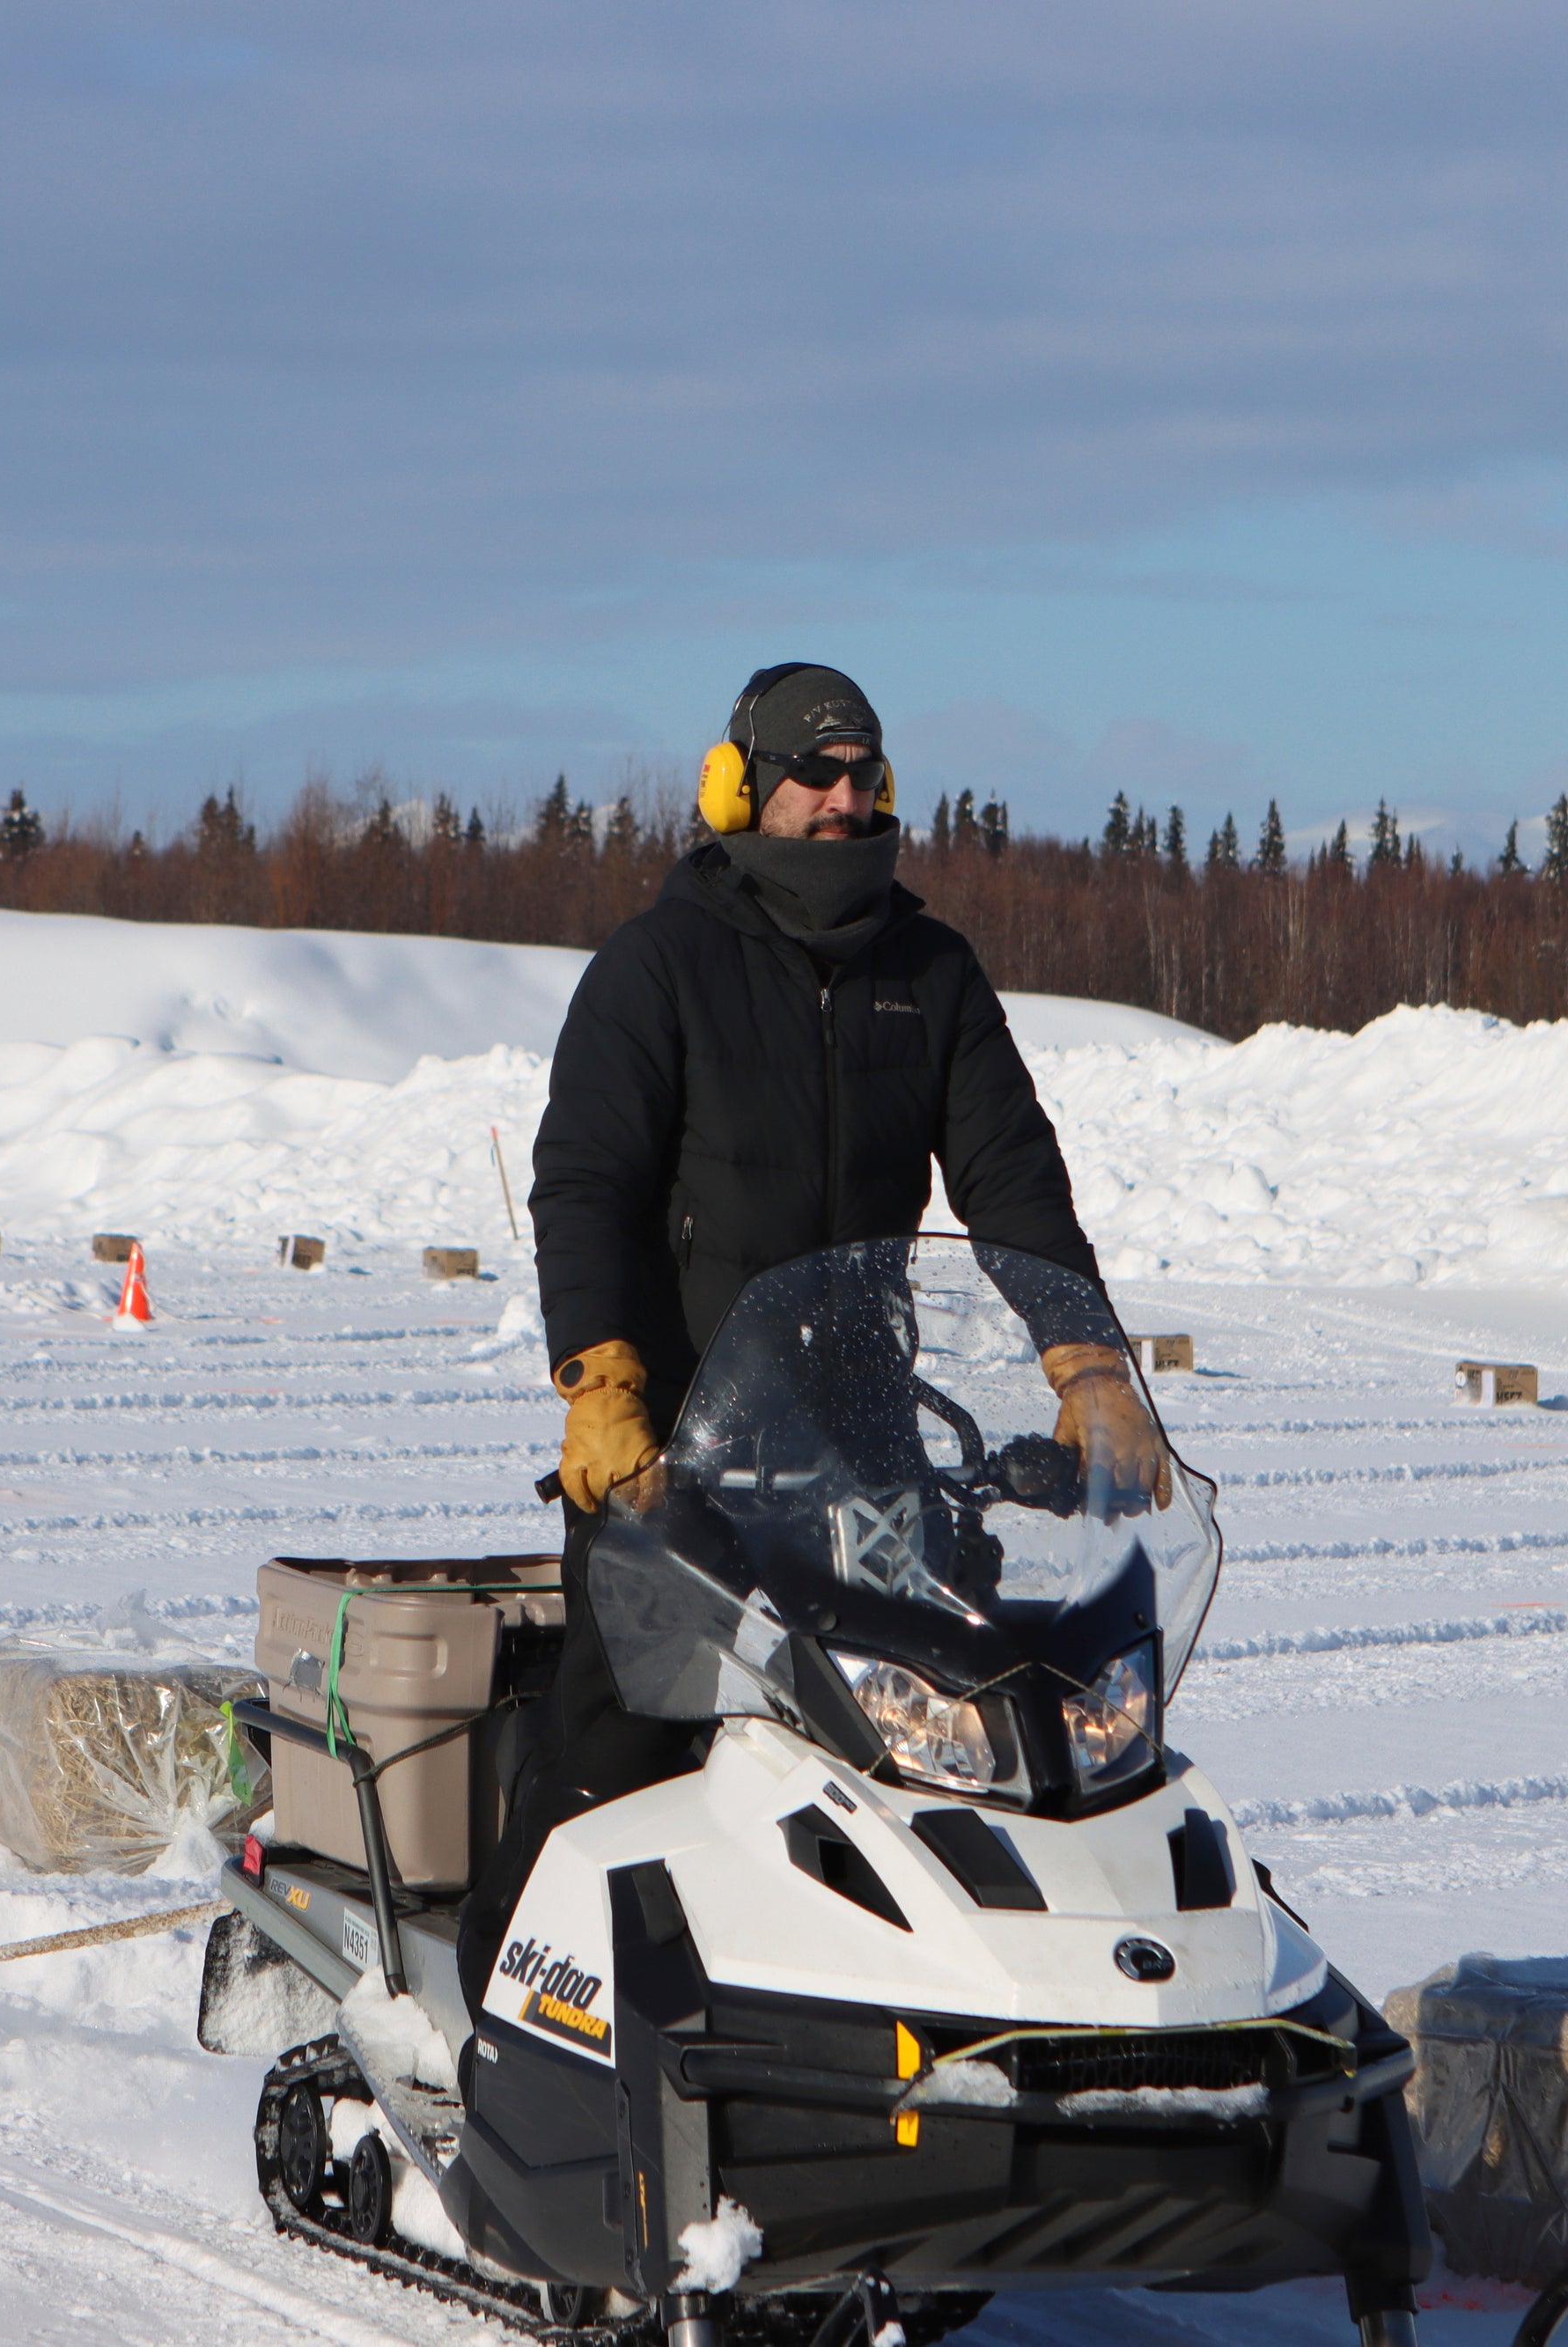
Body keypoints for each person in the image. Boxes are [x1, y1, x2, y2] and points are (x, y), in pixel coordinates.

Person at [458, 662, 1171, 1993]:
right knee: (622, 1763)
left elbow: (1013, 1175)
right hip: (674, 1457)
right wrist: (602, 1381)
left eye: (864, 775)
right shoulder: (659, 966)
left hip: (862, 1450)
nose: (844, 800)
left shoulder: (930, 972)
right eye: (815, 774)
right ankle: (481, 2033)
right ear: (744, 789)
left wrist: (1087, 1360)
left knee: (918, 1764)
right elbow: (588, 1183)